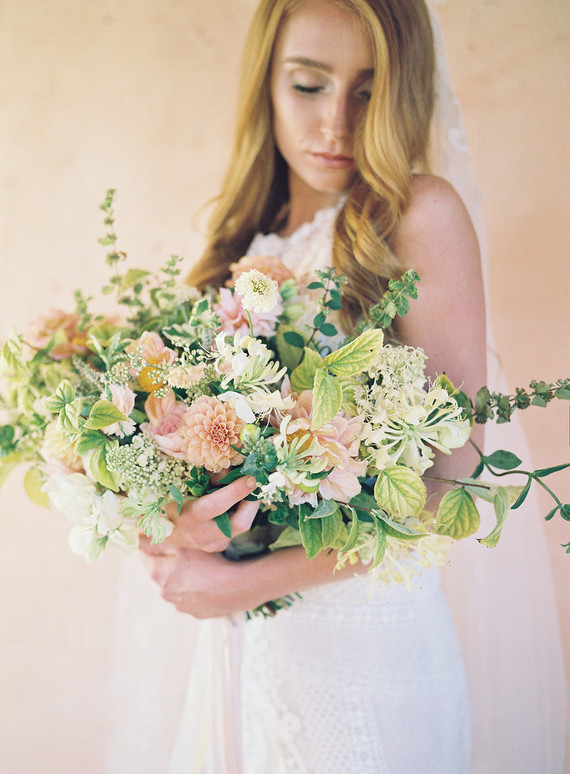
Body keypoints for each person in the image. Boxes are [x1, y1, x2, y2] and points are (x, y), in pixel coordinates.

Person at [127, 1, 565, 772]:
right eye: (309, 85)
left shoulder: (416, 216)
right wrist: (188, 520)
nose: (336, 124)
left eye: (368, 90)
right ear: (267, 82)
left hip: (370, 661)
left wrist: (251, 580)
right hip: (249, 656)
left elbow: (451, 486)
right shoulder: (241, 240)